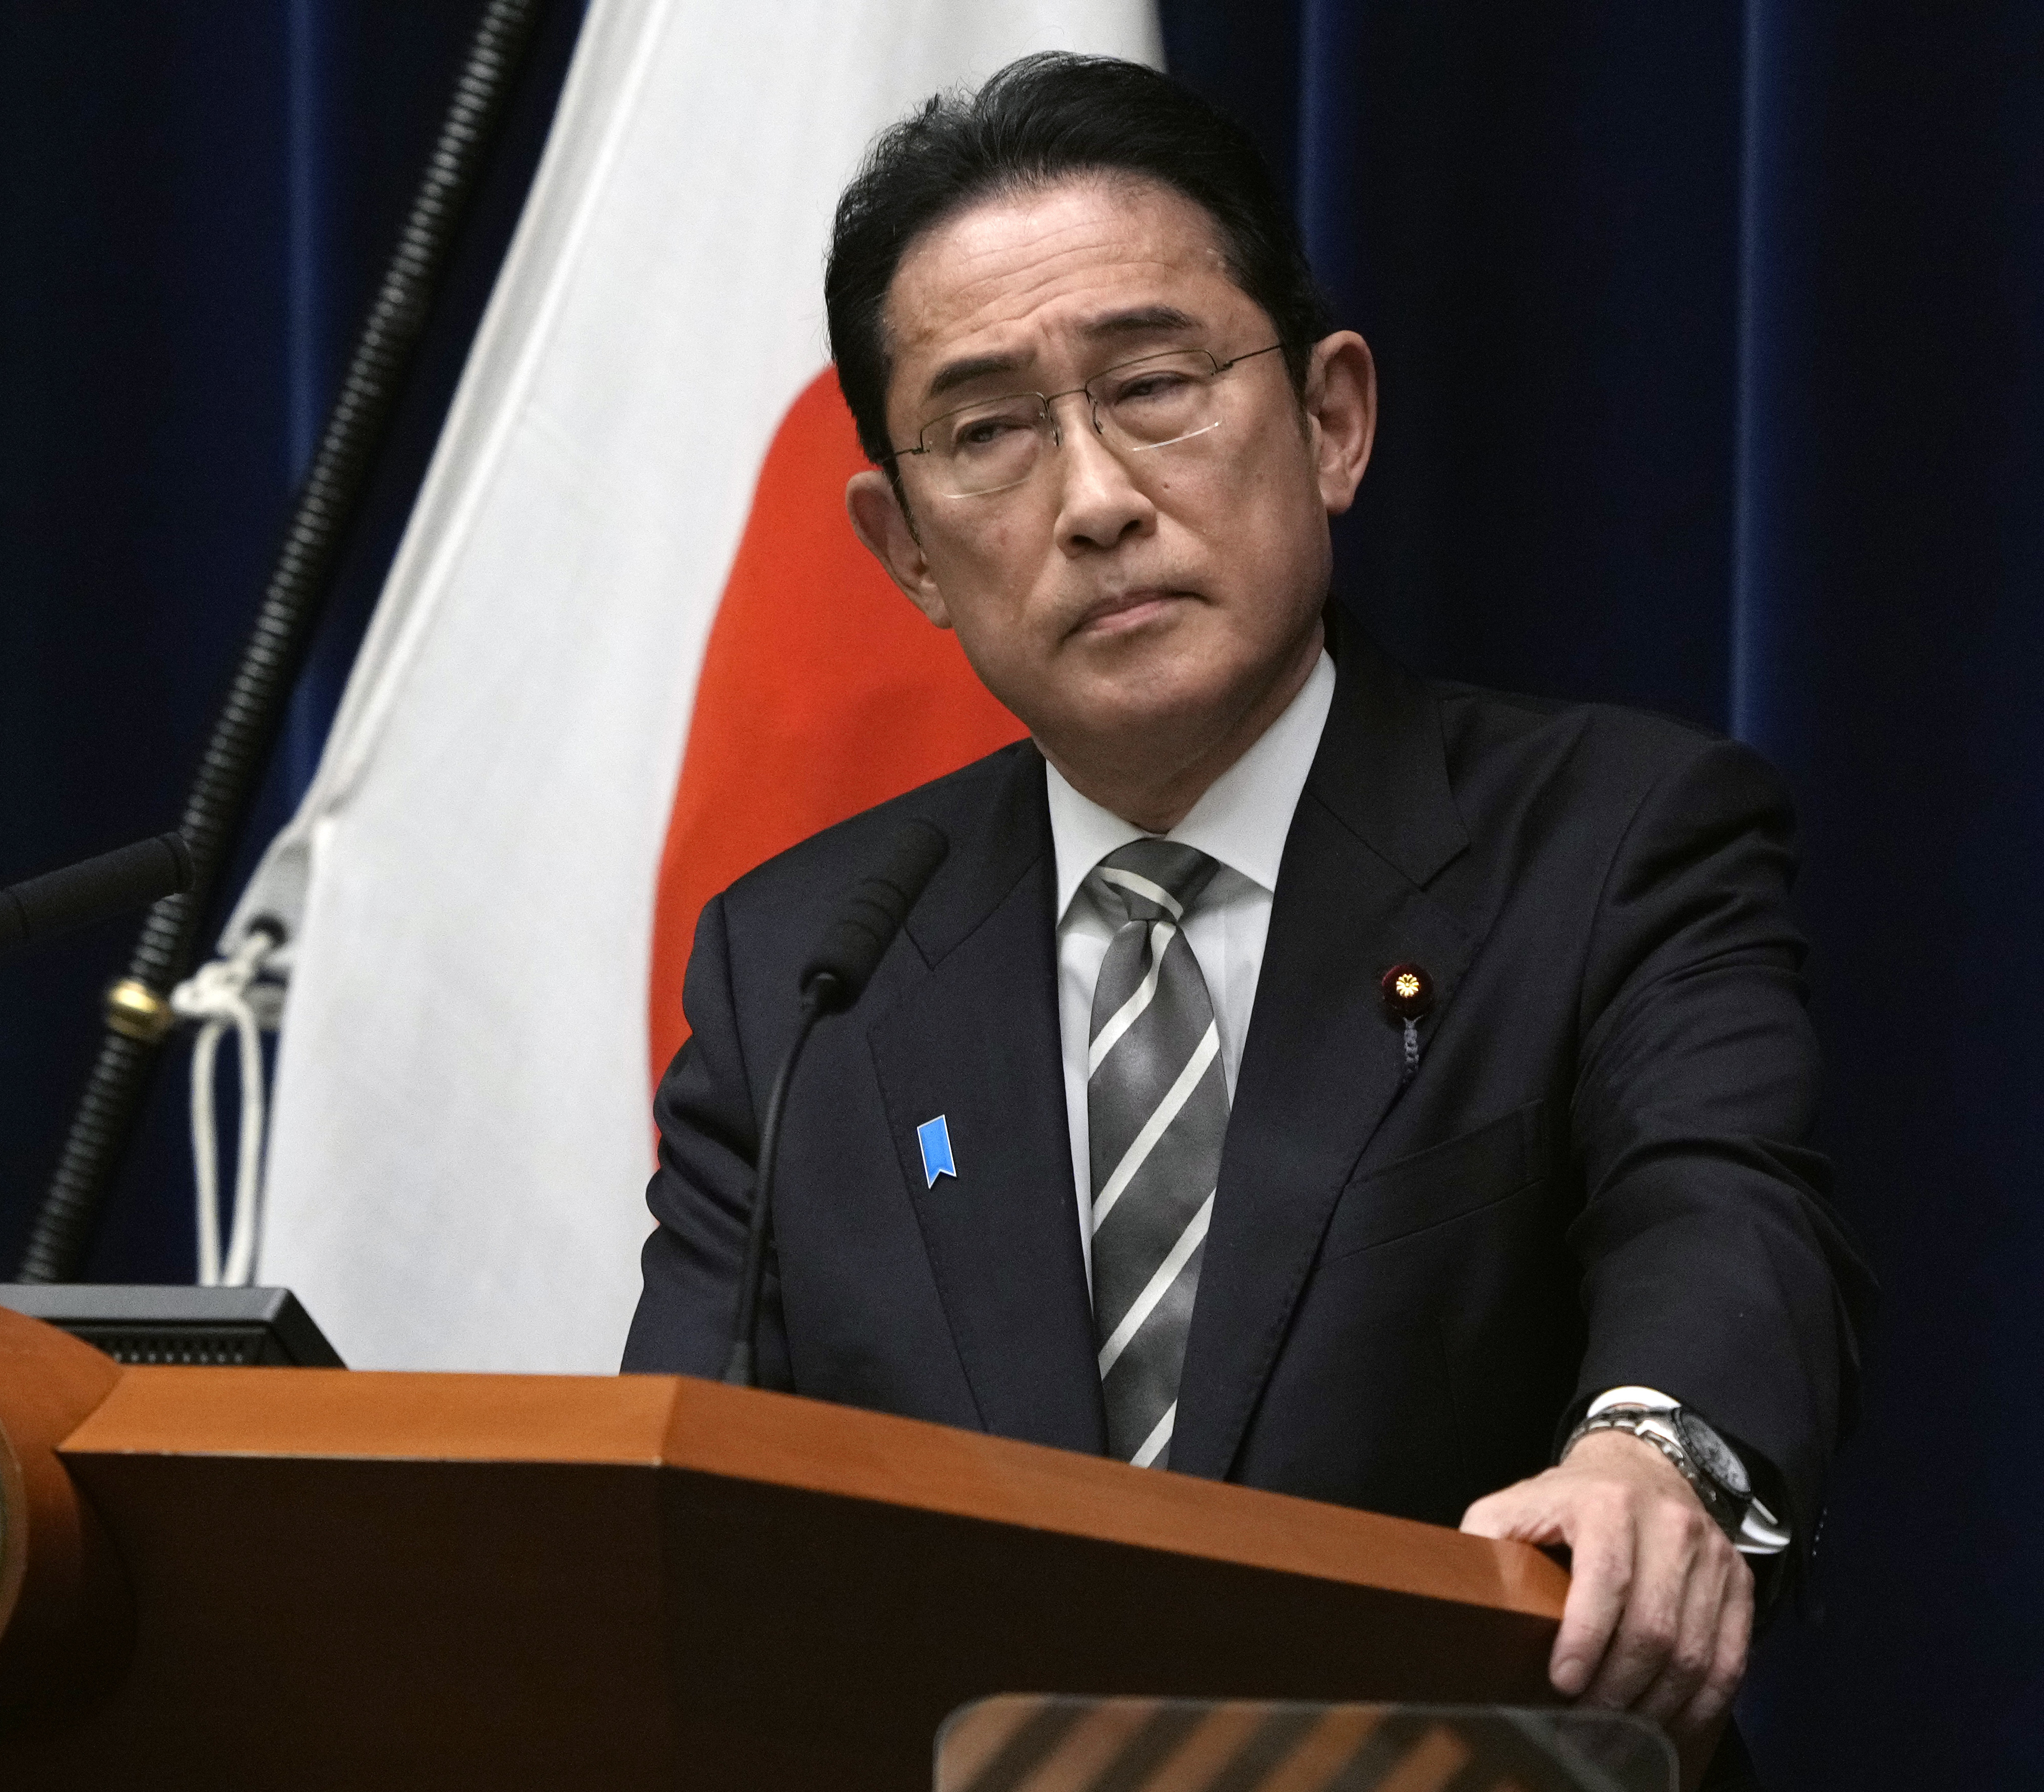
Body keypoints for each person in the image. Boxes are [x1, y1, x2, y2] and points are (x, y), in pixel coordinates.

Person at [622, 53, 1867, 1790]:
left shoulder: (1611, 841)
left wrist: (1651, 1459)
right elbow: (679, 1511)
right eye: (990, 431)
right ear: (905, 550)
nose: (1095, 498)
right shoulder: (805, 968)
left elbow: (1721, 1209)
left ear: (1332, 419)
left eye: (1154, 386)